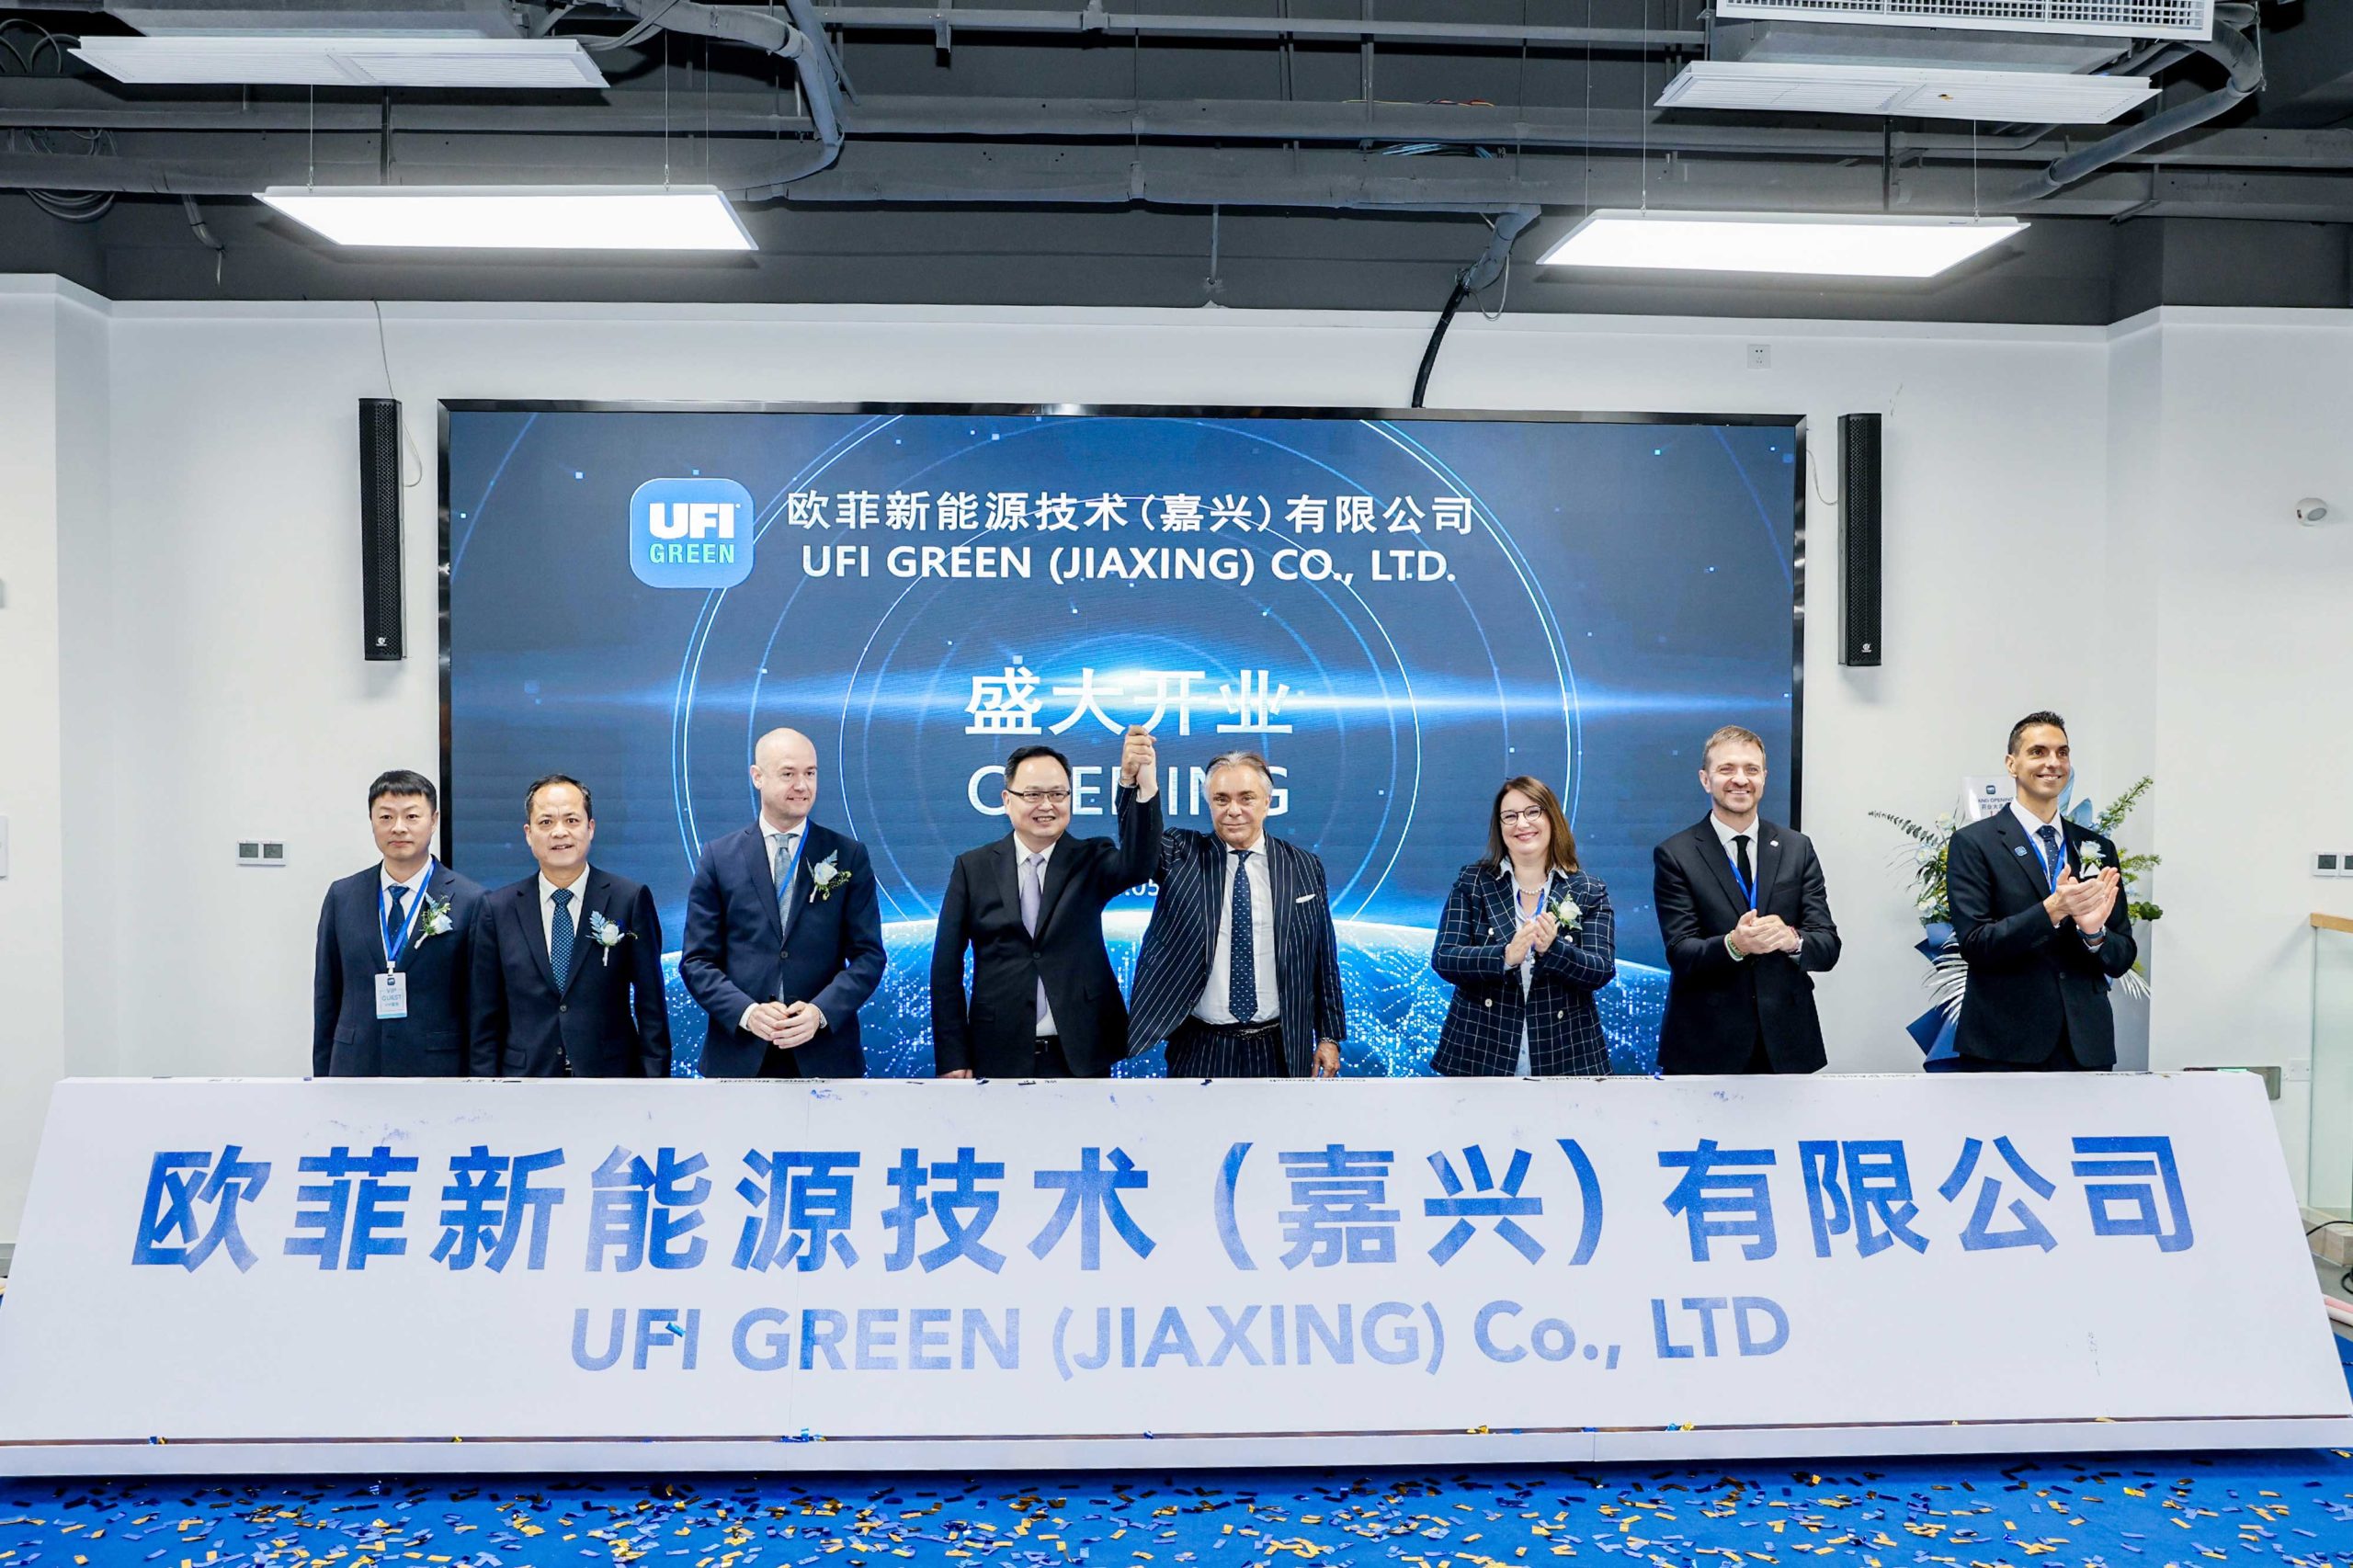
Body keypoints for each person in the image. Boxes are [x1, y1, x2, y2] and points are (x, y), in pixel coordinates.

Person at [931, 729, 1163, 1078]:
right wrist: (953, 1056)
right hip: (997, 1051)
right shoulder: (972, 868)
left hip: (1081, 1052)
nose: (1047, 805)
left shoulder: (1091, 859)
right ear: (1007, 800)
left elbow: (1138, 863)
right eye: (1033, 794)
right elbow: (945, 969)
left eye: (1058, 794)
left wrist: (1137, 786)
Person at [1126, 750, 1347, 1078]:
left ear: (1267, 802)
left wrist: (1329, 1036)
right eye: (1221, 799)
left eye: (1246, 798)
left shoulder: (1303, 866)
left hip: (1281, 1045)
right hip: (1200, 1045)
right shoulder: (1182, 854)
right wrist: (1140, 785)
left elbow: (1323, 957)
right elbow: (1139, 846)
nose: (1233, 810)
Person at [683, 726, 885, 1078]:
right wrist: (747, 1013)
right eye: (788, 774)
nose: (802, 786)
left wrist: (820, 1013)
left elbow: (869, 956)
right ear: (757, 777)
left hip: (824, 1054)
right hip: (740, 1054)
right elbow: (697, 960)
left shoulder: (848, 855)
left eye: (810, 773)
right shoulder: (719, 857)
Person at [1946, 710, 2135, 1072]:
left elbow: (2122, 955)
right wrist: (2051, 911)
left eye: (2062, 753)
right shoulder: (1975, 843)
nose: (2053, 763)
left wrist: (2094, 933)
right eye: (2038, 752)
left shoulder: (2097, 847)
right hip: (2004, 1043)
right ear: (2012, 764)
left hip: (2084, 1045)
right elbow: (1976, 944)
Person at [1653, 725, 1841, 1074]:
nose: (1740, 779)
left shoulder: (1796, 848)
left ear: (1764, 778)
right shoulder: (1676, 854)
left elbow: (1828, 946)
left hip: (1788, 1045)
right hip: (1705, 1045)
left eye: (1751, 769)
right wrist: (1734, 945)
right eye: (1727, 769)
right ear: (1705, 779)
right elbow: (1681, 952)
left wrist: (1791, 939)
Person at [469, 774, 669, 1077]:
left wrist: (654, 1085)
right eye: (546, 822)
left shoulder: (628, 899)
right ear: (528, 834)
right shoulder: (497, 909)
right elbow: (484, 1015)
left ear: (591, 828)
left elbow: (651, 1006)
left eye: (572, 820)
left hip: (611, 1079)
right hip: (525, 1081)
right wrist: (485, 1089)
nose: (559, 832)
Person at [1429, 777, 1618, 1076]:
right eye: (1510, 816)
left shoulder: (1588, 889)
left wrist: (1554, 950)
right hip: (1480, 1056)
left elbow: (1601, 969)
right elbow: (1444, 957)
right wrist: (1504, 956)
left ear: (1551, 818)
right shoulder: (1473, 881)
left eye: (1533, 812)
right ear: (1500, 827)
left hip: (1566, 1056)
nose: (1522, 824)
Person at [312, 768, 486, 1076]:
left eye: (412, 816)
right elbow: (327, 994)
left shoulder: (471, 900)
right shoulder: (342, 896)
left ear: (434, 821)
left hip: (437, 1071)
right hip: (354, 1068)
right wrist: (323, 1080)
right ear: (372, 821)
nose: (398, 827)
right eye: (386, 817)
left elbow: (480, 1006)